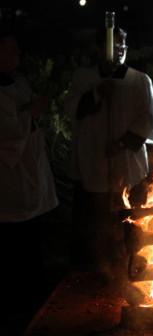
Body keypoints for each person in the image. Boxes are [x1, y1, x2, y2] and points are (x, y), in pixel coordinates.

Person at [65, 27, 153, 278]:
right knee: (93, 221)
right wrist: (97, 93)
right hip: (93, 161)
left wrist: (121, 143)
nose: (118, 53)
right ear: (98, 49)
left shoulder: (139, 80)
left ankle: (132, 270)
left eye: (122, 48)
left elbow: (148, 119)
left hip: (126, 161)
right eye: (112, 47)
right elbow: (73, 110)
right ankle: (88, 272)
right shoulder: (84, 77)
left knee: (127, 216)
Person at [0, 28, 58, 308]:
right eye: (11, 48)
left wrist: (34, 114)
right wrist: (30, 115)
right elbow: (5, 128)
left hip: (28, 165)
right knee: (13, 236)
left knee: (31, 231)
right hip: (7, 172)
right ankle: (15, 295)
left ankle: (34, 289)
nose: (18, 52)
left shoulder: (18, 82)